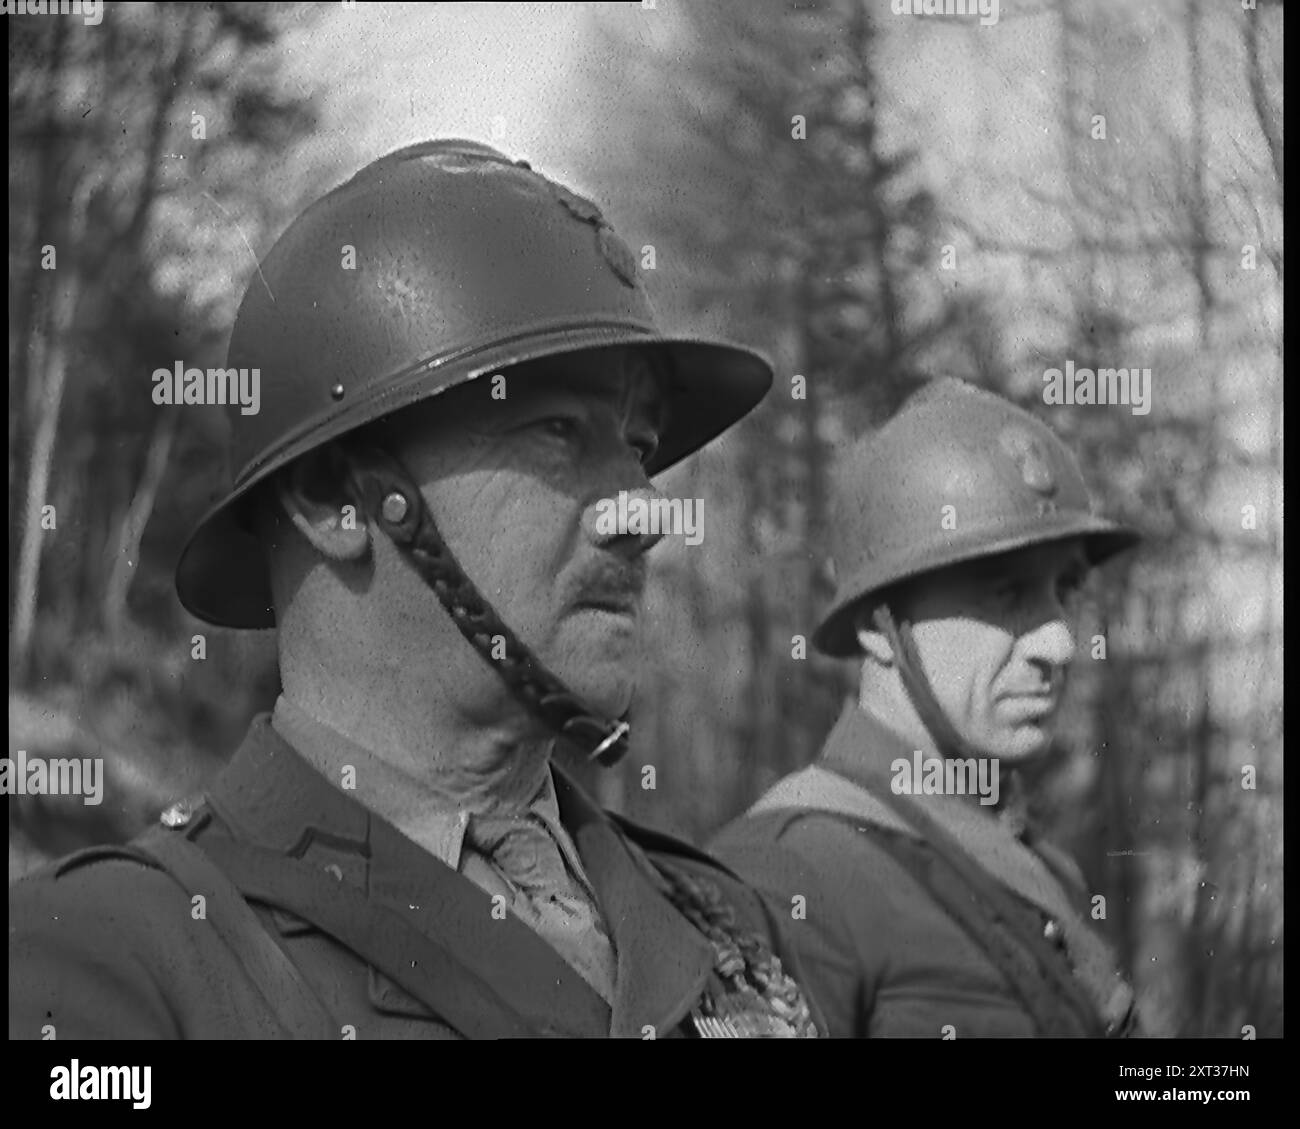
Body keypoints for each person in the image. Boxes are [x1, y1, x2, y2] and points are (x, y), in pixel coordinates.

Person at [9, 140, 820, 1040]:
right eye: (558, 430)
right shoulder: (110, 963)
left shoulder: (725, 920)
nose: (644, 510)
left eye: (636, 442)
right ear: (332, 497)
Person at [710, 377, 1141, 1037]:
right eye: (1007, 591)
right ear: (878, 628)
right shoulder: (784, 872)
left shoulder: (1046, 873)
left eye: (1066, 589)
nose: (1058, 639)